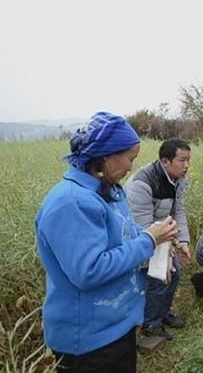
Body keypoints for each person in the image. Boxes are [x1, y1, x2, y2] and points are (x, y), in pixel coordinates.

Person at [34, 111, 178, 373]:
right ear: (106, 156)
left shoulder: (108, 190)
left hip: (116, 325)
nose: (131, 167)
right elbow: (90, 270)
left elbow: (126, 233)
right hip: (89, 341)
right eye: (129, 159)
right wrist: (149, 240)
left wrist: (157, 251)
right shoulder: (72, 203)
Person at [124, 138, 191, 341]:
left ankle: (163, 314)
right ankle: (151, 323)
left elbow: (177, 210)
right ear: (165, 161)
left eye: (188, 160)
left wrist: (184, 241)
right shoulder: (142, 184)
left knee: (174, 273)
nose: (186, 165)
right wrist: (169, 247)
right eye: (182, 160)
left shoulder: (179, 179)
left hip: (163, 233)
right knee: (159, 276)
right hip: (141, 236)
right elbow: (143, 227)